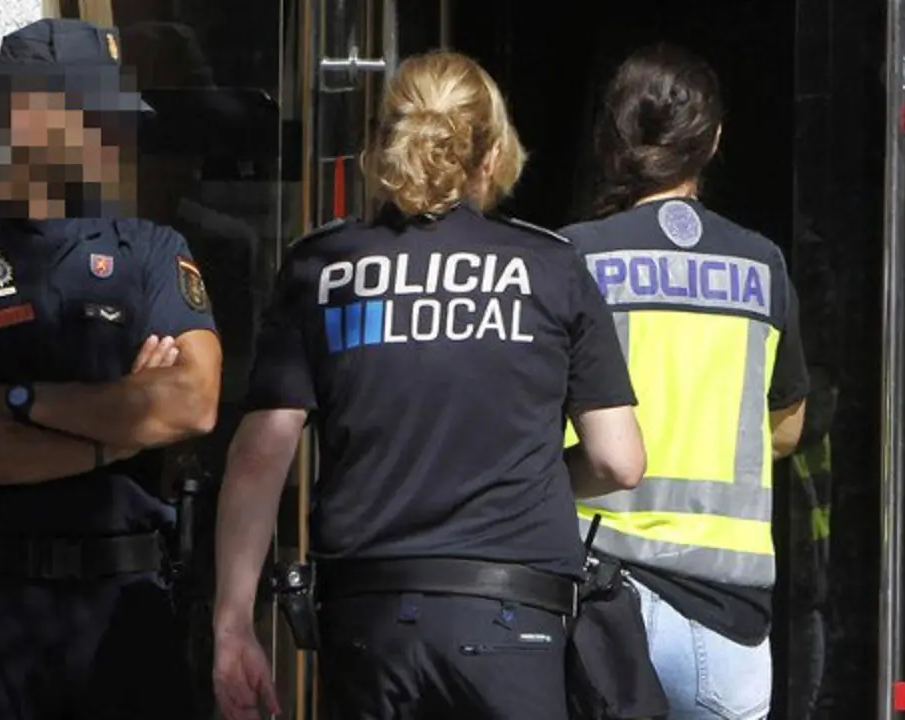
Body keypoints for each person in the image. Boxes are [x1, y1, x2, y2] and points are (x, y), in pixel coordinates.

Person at [211, 50, 645, 720]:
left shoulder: (323, 265)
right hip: (514, 621)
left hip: (370, 626)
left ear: (377, 145)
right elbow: (618, 460)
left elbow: (262, 452)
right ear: (494, 153)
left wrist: (233, 623)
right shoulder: (551, 267)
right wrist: (532, 477)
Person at [0, 18, 223, 720]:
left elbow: (194, 401)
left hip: (124, 613)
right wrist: (124, 425)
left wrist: (18, 399)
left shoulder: (148, 247)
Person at [561, 43, 809, 720]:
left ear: (610, 141)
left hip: (599, 603)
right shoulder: (763, 267)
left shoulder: (574, 256)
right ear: (715, 141)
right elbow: (787, 427)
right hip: (728, 620)